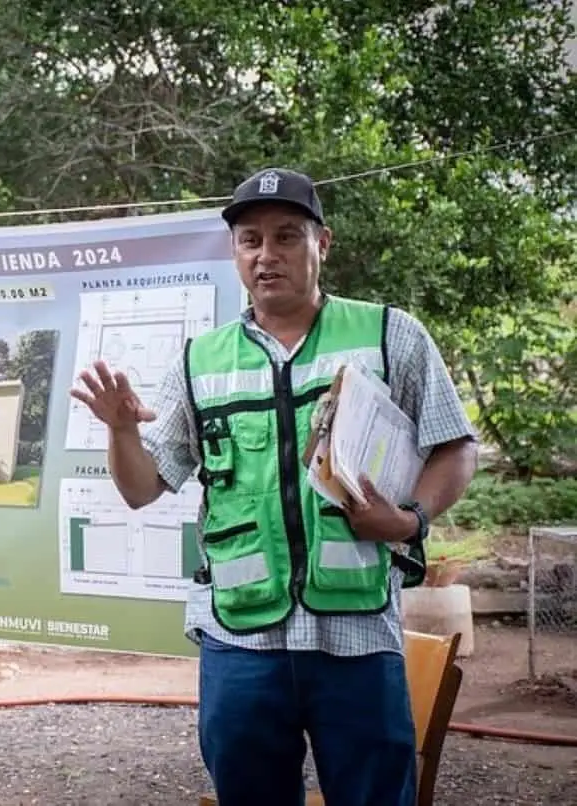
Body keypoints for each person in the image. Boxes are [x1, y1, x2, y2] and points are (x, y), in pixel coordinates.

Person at [70, 168, 479, 806]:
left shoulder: (389, 335)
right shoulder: (198, 360)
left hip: (357, 633)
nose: (267, 255)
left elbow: (455, 447)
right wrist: (121, 431)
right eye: (250, 240)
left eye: (287, 236)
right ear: (235, 253)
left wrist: (409, 521)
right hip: (242, 641)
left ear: (323, 243)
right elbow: (143, 488)